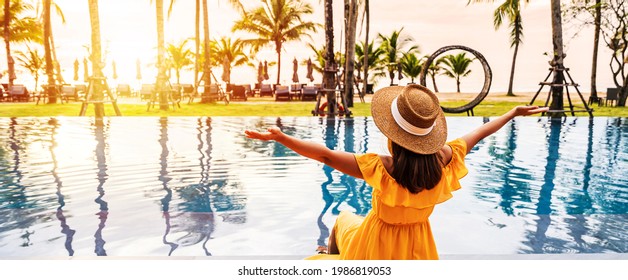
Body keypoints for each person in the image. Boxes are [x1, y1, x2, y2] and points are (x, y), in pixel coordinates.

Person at [244, 84, 548, 260]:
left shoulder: (382, 167)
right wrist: (512, 112)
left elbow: (324, 153)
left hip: (374, 243)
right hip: (419, 245)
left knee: (342, 221)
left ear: (394, 136)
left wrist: (282, 138)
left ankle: (328, 257)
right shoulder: (445, 158)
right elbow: (480, 132)